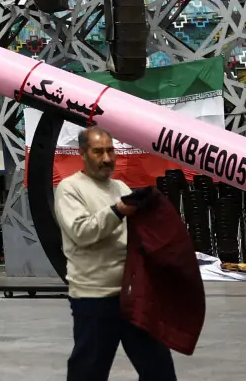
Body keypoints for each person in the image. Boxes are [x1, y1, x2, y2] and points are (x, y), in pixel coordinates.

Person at [55, 126, 176, 381]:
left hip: (132, 296)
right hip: (94, 298)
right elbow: (81, 232)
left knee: (159, 369)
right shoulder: (69, 188)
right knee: (88, 373)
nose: (107, 158)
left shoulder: (120, 187)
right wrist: (118, 210)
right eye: (98, 152)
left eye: (110, 151)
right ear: (83, 154)